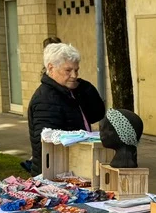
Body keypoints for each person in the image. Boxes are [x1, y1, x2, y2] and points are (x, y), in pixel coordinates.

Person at [25, 42, 106, 175]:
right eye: (68, 70)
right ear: (51, 68)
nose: (74, 75)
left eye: (76, 70)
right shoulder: (45, 99)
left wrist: (87, 89)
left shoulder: (71, 91)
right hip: (57, 172)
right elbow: (47, 144)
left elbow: (96, 114)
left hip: (72, 167)